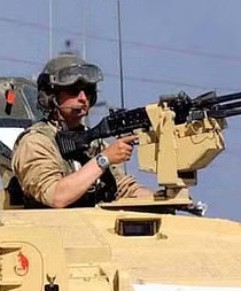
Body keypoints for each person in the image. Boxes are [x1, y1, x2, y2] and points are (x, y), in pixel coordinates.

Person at [11, 53, 152, 208]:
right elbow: (56, 196)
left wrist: (165, 198)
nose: (83, 98)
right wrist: (103, 160)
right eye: (74, 91)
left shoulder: (94, 143)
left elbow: (124, 189)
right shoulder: (35, 142)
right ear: (50, 96)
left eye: (88, 91)